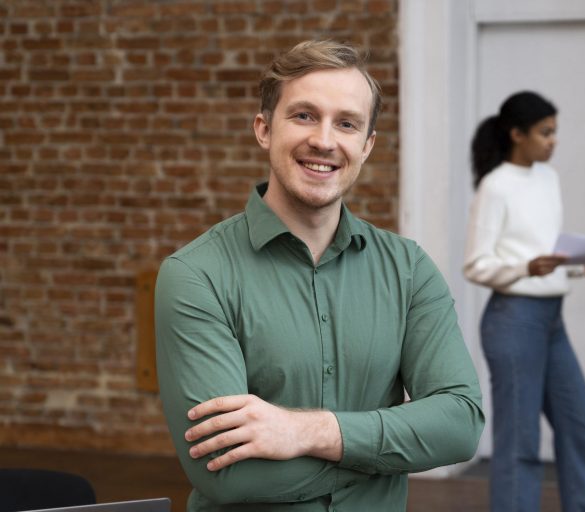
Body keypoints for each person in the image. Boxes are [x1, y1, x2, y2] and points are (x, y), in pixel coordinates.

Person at [154, 40, 484, 512]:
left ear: (366, 145)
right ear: (264, 129)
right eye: (304, 116)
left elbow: (460, 424)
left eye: (346, 124)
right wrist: (387, 452)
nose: (325, 141)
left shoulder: (408, 269)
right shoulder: (196, 275)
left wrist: (306, 431)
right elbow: (229, 472)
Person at [463, 91, 585, 511]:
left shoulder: (548, 179)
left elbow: (548, 253)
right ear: (516, 134)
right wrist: (527, 268)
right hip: (513, 321)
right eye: (545, 133)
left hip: (551, 321)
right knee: (520, 445)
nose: (553, 141)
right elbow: (476, 265)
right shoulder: (495, 187)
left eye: (555, 132)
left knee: (584, 432)